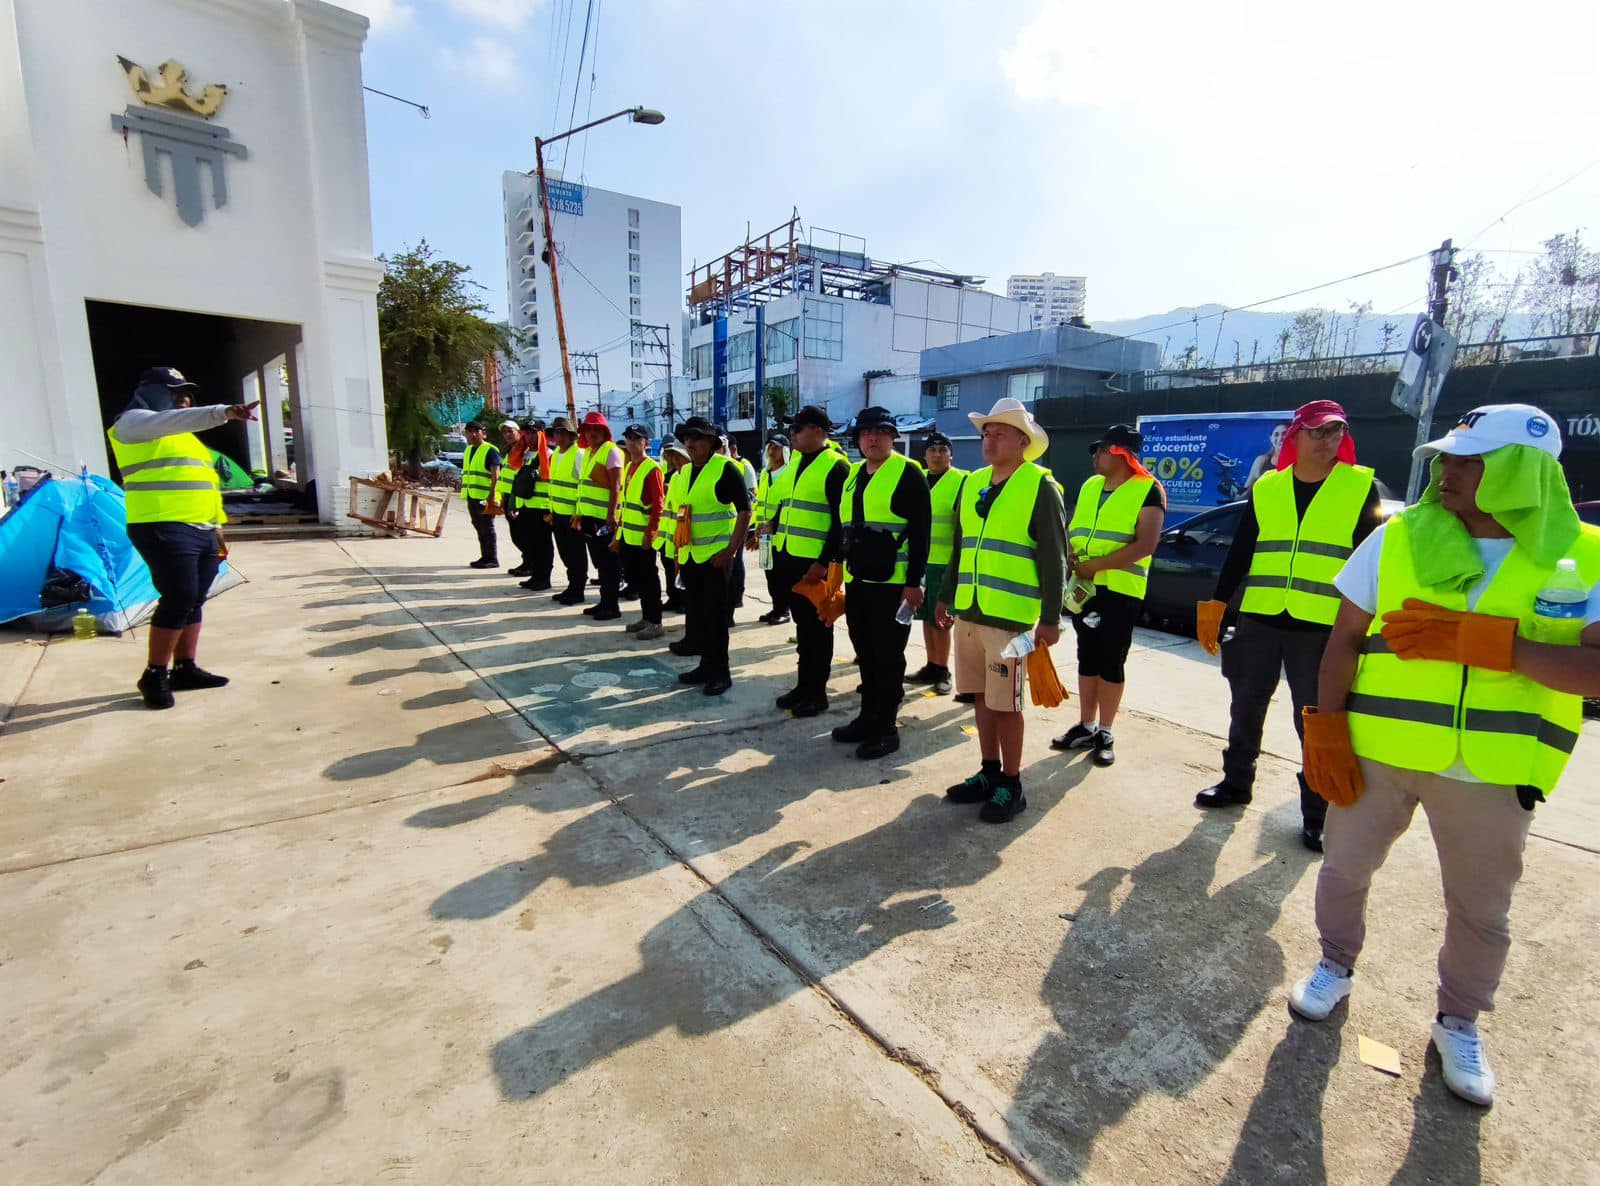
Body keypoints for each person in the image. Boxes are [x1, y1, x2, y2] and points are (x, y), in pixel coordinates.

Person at [1287, 403, 1600, 1108]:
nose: (1448, 470)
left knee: (1481, 911)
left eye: (1470, 459)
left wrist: (1493, 645)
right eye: (1448, 457)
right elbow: (1342, 642)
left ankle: (1459, 1020)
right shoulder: (1396, 537)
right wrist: (1324, 727)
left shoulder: (1586, 552)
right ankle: (1334, 965)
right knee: (1343, 870)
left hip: (1493, 771)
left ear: (1524, 471)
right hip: (1379, 753)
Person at [1193, 400, 1381, 852]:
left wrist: (1369, 624)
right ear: (1295, 435)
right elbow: (1242, 550)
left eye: (1336, 432)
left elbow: (1373, 560)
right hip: (1260, 617)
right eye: (1317, 432)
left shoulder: (1360, 487)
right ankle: (1236, 782)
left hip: (1322, 626)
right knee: (1246, 705)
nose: (1327, 440)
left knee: (1317, 720)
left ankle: (1318, 814)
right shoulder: (1267, 488)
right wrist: (1218, 603)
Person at [936, 398, 1066, 822]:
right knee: (980, 698)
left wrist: (1050, 618)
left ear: (1023, 442)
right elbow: (961, 545)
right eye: (986, 433)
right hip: (969, 613)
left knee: (1007, 705)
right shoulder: (973, 483)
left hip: (1010, 620)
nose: (989, 441)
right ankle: (989, 772)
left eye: (999, 434)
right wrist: (945, 593)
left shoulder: (1039, 485)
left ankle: (1012, 782)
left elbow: (1054, 556)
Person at [106, 366, 257, 709]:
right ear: (152, 391)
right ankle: (155, 673)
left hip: (201, 526)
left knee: (195, 598)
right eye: (175, 392)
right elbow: (172, 421)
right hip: (161, 523)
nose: (183, 399)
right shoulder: (131, 424)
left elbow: (204, 485)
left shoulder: (187, 439)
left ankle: (185, 668)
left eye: (186, 393)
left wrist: (217, 526)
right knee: (179, 596)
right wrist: (222, 412)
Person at [1051, 424, 1165, 767]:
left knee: (1111, 661)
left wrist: (1097, 566)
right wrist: (1073, 557)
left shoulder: (1149, 490)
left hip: (1120, 590)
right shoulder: (1091, 486)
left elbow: (1146, 544)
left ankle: (1106, 730)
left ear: (1119, 453)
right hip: (1084, 587)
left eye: (1101, 450)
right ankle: (1086, 724)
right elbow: (1077, 528)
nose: (1095, 457)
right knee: (1087, 655)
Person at [834, 407, 931, 759]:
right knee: (866, 653)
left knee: (888, 656)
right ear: (858, 439)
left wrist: (914, 581)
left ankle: (886, 729)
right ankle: (866, 717)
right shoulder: (855, 474)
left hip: (893, 585)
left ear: (892, 436)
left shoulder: (908, 473)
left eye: (880, 431)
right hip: (859, 579)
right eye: (865, 433)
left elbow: (922, 533)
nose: (872, 438)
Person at [766, 405, 848, 717]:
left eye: (798, 428)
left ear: (817, 430)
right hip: (789, 556)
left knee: (818, 629)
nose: (792, 434)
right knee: (803, 629)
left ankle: (817, 693)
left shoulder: (835, 467)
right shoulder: (797, 462)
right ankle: (803, 686)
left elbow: (842, 523)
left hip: (814, 564)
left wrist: (825, 562)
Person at [668, 416, 751, 696]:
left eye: (697, 438)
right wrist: (679, 553)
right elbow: (684, 515)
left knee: (716, 619)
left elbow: (745, 510)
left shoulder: (725, 468)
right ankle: (706, 666)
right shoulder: (688, 471)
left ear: (711, 442)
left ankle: (721, 673)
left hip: (715, 558)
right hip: (692, 556)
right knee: (699, 616)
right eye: (687, 438)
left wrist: (730, 550)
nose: (690, 443)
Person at [906, 431, 967, 695]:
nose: (937, 454)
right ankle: (931, 664)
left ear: (950, 454)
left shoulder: (961, 481)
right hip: (920, 562)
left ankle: (943, 669)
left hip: (945, 563)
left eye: (943, 450)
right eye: (932, 450)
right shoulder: (918, 479)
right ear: (924, 454)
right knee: (926, 618)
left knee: (942, 620)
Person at [573, 412, 624, 621]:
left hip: (604, 519)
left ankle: (611, 605)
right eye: (589, 429)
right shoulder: (588, 453)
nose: (592, 433)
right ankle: (604, 601)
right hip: (589, 517)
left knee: (609, 563)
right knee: (600, 562)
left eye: (596, 429)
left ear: (604, 432)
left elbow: (616, 486)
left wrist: (611, 514)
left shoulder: (611, 451)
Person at [618, 423, 666, 640]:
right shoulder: (629, 467)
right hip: (629, 535)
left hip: (643, 537)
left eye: (636, 439)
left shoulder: (651, 468)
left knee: (649, 580)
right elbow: (626, 503)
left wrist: (651, 533)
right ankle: (646, 617)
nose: (631, 443)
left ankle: (655, 622)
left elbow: (658, 504)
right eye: (628, 438)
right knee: (636, 579)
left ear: (645, 443)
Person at [507, 422, 555, 591]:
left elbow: (552, 483)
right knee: (530, 544)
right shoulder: (524, 454)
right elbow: (517, 480)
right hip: (525, 506)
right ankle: (535, 575)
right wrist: (513, 502)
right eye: (527, 433)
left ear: (542, 435)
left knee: (543, 544)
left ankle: (544, 578)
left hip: (542, 507)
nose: (530, 437)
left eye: (534, 433)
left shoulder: (549, 455)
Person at [545, 417, 587, 604]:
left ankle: (577, 590)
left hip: (572, 515)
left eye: (563, 433)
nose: (559, 437)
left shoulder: (578, 455)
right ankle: (571, 586)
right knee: (565, 553)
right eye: (557, 433)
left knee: (576, 554)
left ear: (571, 436)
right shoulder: (554, 456)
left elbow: (583, 486)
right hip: (558, 514)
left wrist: (578, 513)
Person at [752, 435, 792, 626]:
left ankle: (784, 610)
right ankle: (776, 607)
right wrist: (756, 528)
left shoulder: (790, 472)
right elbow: (760, 504)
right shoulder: (766, 474)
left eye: (776, 448)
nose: (772, 451)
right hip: (765, 534)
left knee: (782, 575)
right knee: (769, 573)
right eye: (770, 447)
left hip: (781, 533)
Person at [719, 429, 755, 618]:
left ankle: (736, 596)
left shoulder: (742, 465)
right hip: (723, 525)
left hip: (738, 522)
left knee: (736, 562)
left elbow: (751, 496)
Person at [460, 421, 502, 569]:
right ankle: (485, 556)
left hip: (485, 497)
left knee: (487, 527)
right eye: (469, 431)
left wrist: (492, 496)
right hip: (472, 495)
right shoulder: (468, 450)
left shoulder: (490, 450)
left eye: (476, 431)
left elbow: (495, 475)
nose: (473, 434)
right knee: (478, 526)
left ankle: (491, 558)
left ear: (482, 433)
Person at [659, 441, 690, 613]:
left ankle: (683, 602)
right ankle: (674, 598)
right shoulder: (674, 477)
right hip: (669, 535)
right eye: (672, 456)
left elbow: (684, 509)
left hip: (683, 535)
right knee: (670, 568)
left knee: (683, 570)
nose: (675, 460)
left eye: (679, 456)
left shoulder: (689, 477)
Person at [495, 421, 524, 573]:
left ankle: (529, 564)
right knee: (516, 535)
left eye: (510, 431)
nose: (507, 434)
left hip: (518, 499)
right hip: (508, 498)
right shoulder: (510, 451)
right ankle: (526, 562)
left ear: (518, 432)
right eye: (505, 432)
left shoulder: (523, 450)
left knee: (522, 535)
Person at [1246, 421, 1292, 489]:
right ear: (1271, 438)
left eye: (1284, 433)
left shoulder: (1299, 460)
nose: (1280, 438)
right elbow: (1247, 489)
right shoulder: (1261, 461)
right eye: (1276, 434)